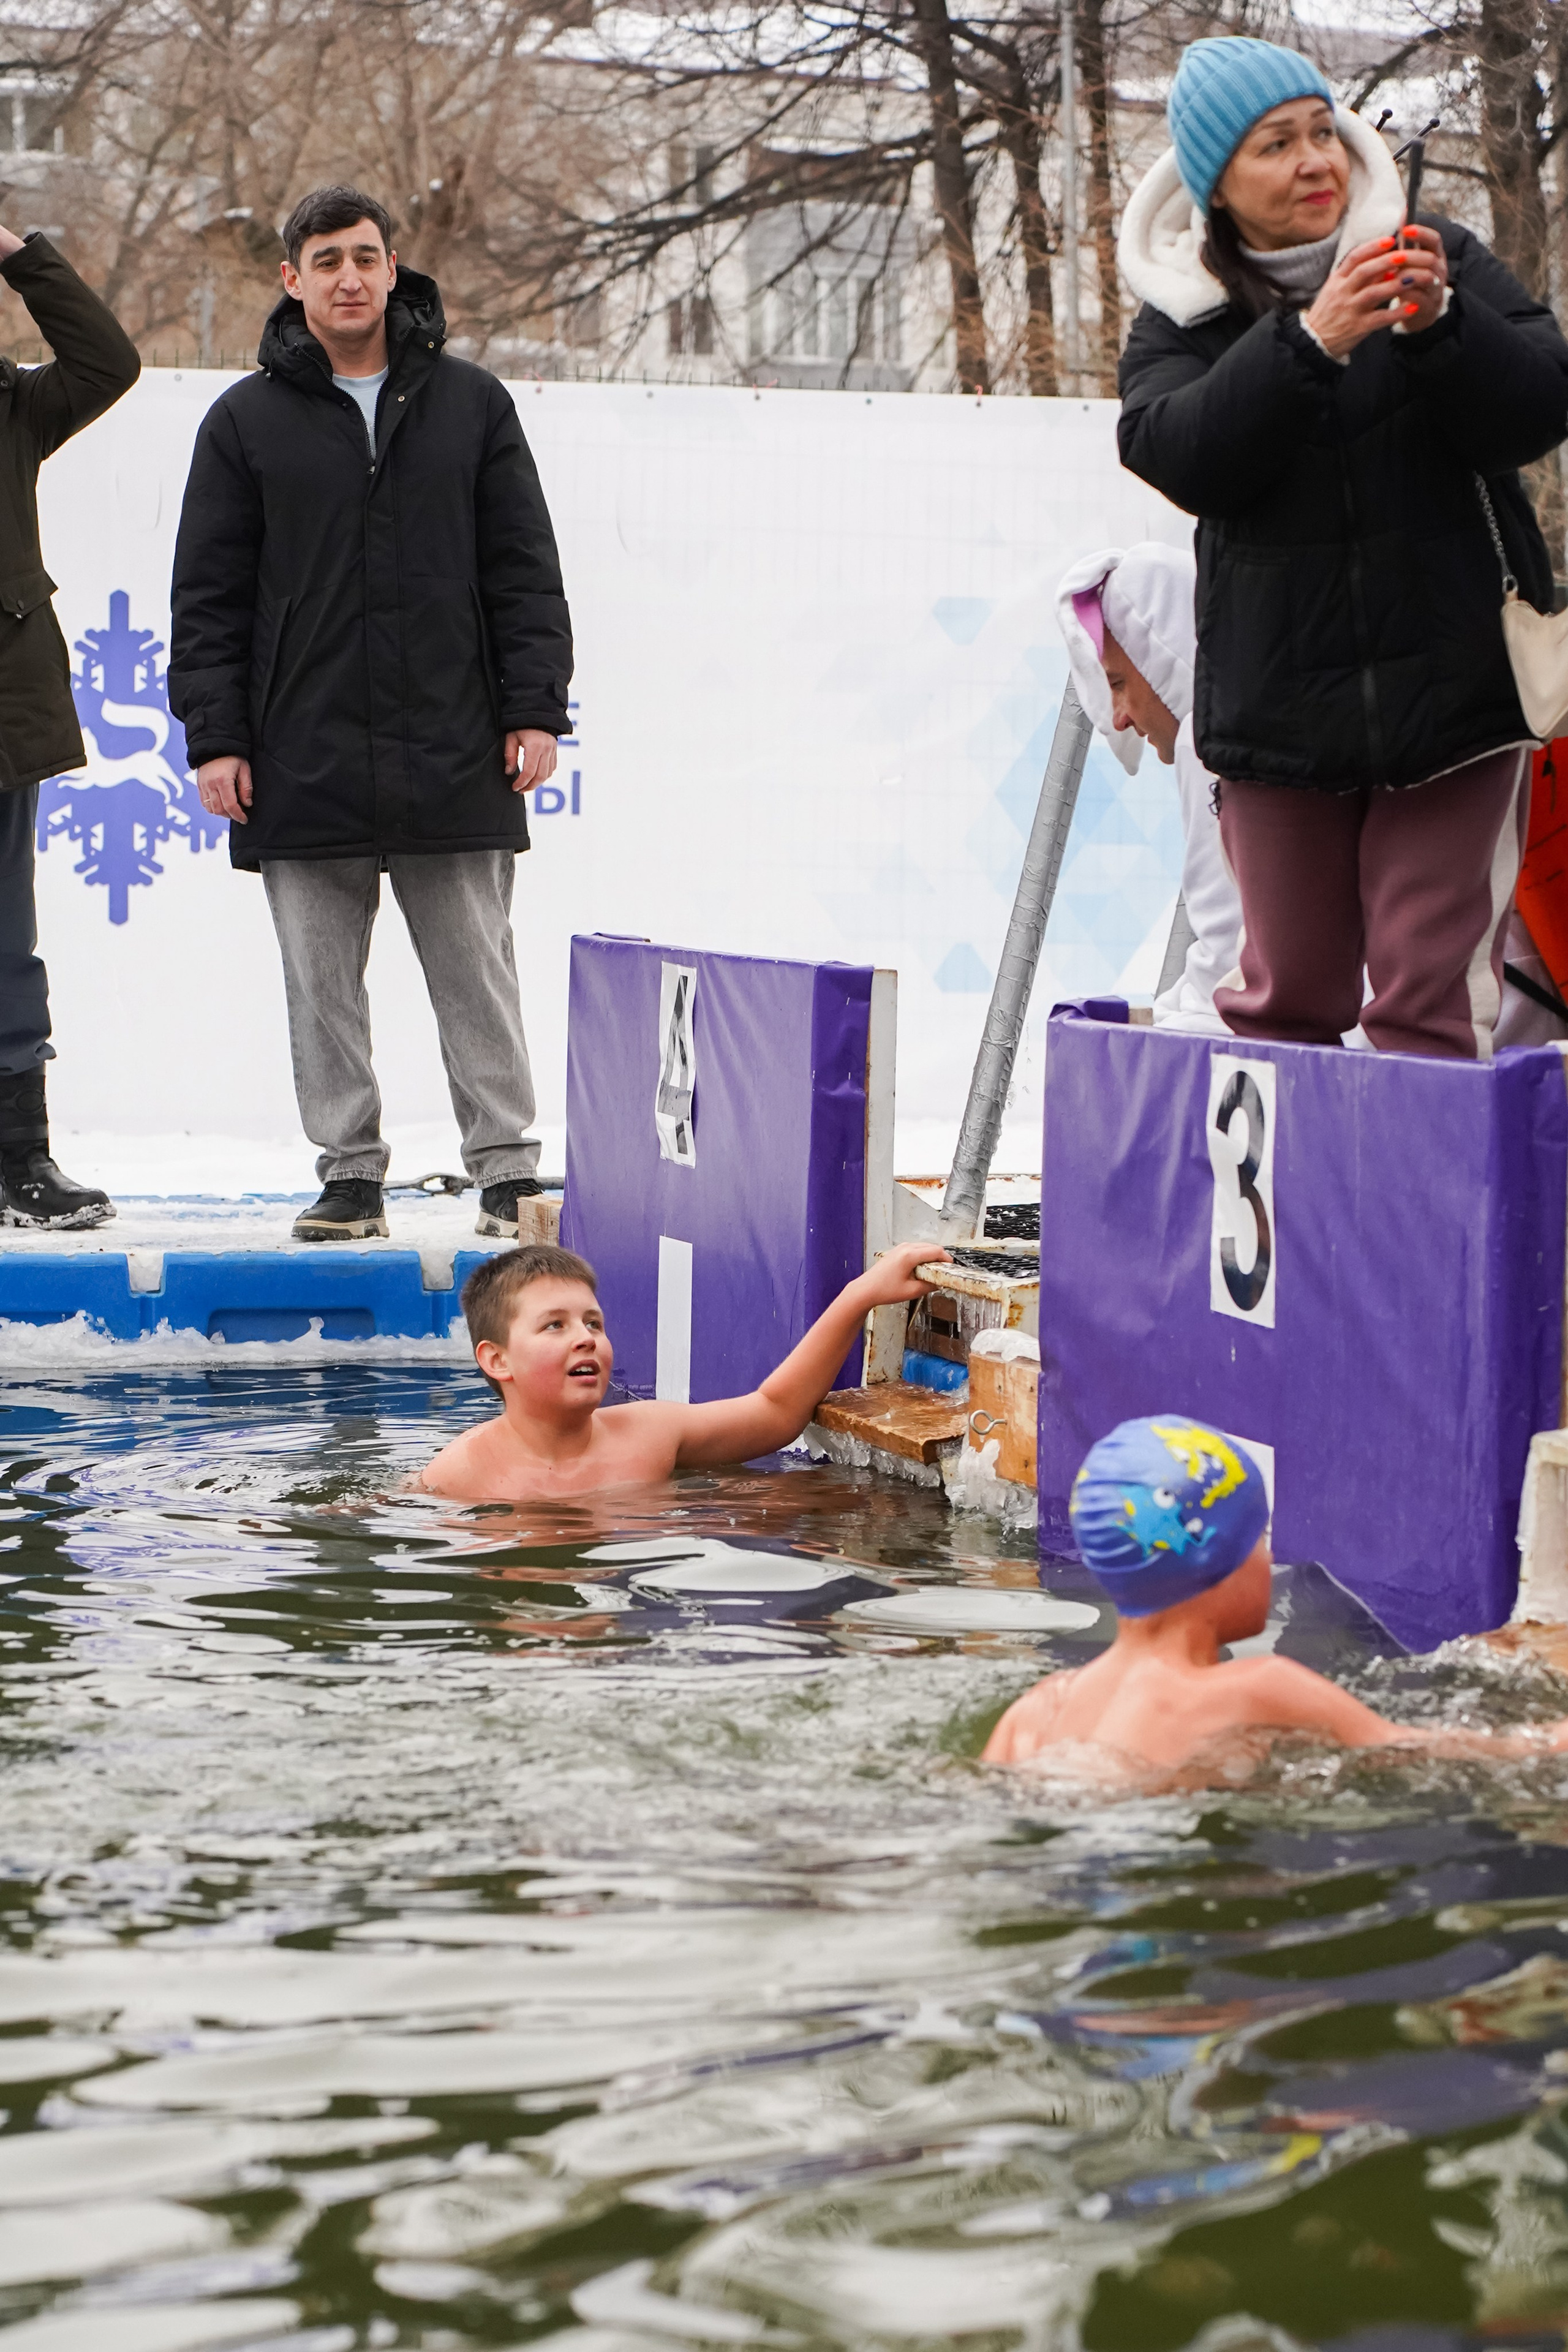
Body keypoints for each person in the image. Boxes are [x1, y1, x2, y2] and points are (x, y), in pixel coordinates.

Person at [1115, 37, 1568, 1060]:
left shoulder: (1432, 252)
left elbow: (1540, 405)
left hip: (1457, 700)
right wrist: (1308, 342)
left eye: (1324, 131)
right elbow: (1176, 453)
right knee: (1287, 1004)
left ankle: (1420, 1225)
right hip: (1281, 714)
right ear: (1217, 186)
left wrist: (1447, 329)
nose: (1317, 161)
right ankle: (1286, 1224)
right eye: (1276, 144)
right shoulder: (1183, 311)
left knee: (1428, 1007)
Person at [170, 186, 572, 1243]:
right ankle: (349, 1173)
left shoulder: (474, 405)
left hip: (453, 743)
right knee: (320, 986)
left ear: (395, 270)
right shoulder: (244, 423)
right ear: (290, 280)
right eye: (325, 259)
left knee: (477, 972)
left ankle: (506, 1171)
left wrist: (534, 708)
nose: (349, 276)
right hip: (298, 754)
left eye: (366, 256)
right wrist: (216, 737)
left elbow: (524, 570)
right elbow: (207, 595)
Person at [984, 1416, 1568, 1773]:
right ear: (1222, 1562)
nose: (1271, 1556)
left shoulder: (1040, 1707)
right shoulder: (1258, 1687)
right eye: (1260, 1537)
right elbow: (1410, 1749)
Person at [418, 1239, 949, 1502]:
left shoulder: (650, 1433)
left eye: (593, 1322)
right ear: (496, 1360)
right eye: (554, 1326)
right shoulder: (459, 1475)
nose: (585, 1336)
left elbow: (775, 1411)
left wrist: (860, 1297)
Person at [0, 227, 139, 1227]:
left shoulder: (14, 404)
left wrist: (17, 250)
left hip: (4, 714)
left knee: (7, 941)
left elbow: (107, 360)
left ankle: (20, 1160)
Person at [1055, 541, 1240, 1034]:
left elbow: (1227, 962)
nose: (1120, 717)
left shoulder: (1208, 744)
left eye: (1118, 683)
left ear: (1162, 654)